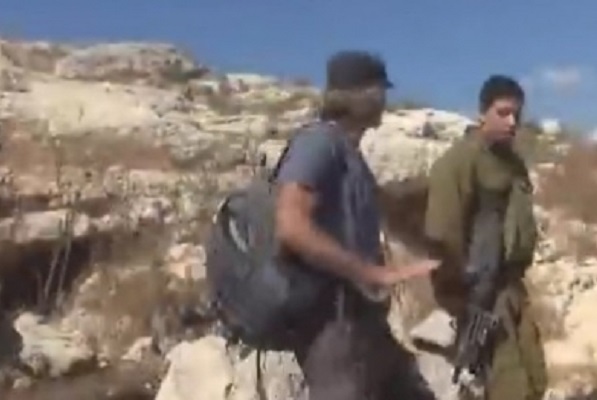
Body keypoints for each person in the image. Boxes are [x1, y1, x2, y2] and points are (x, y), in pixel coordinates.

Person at [274, 50, 439, 400]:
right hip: (330, 323)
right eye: (379, 91)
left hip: (363, 318)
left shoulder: (350, 154)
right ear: (359, 95)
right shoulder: (319, 142)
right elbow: (291, 224)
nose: (384, 101)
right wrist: (368, 272)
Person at [424, 75, 548, 400]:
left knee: (534, 376)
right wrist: (457, 300)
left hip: (511, 287)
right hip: (479, 296)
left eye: (516, 115)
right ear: (482, 113)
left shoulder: (513, 164)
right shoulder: (458, 162)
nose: (512, 122)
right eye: (503, 113)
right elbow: (441, 236)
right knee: (507, 386)